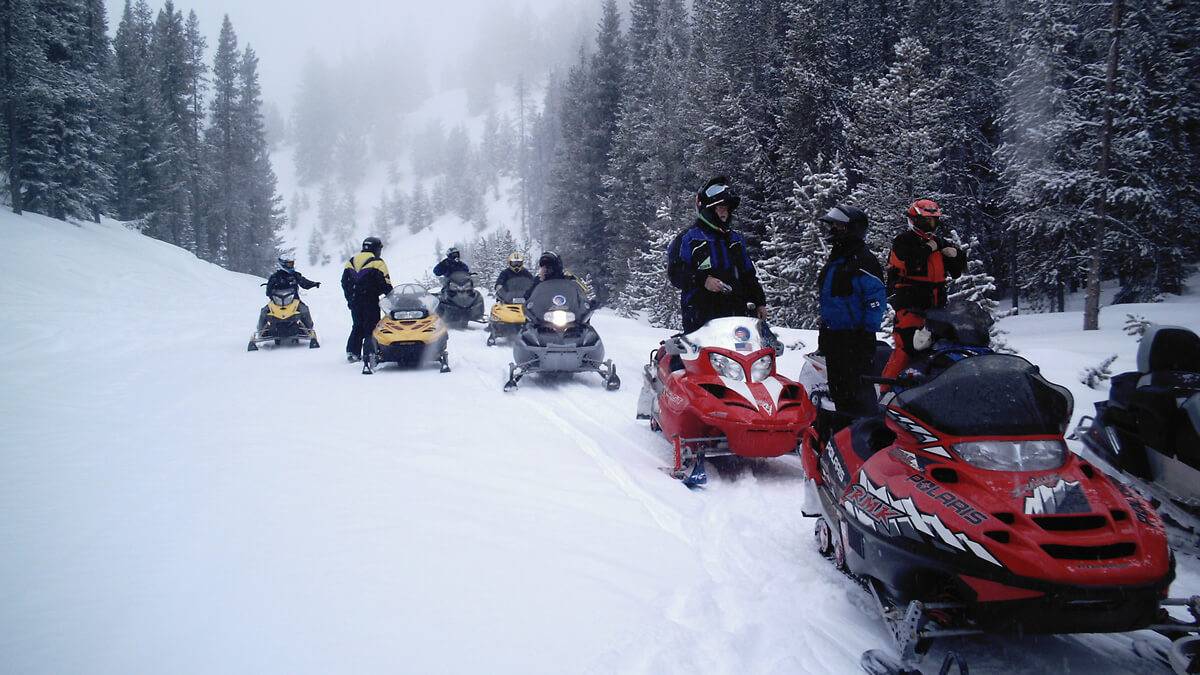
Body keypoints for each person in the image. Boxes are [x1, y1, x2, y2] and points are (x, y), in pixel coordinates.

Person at [880, 199, 965, 386]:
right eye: (926, 221)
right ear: (915, 220)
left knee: (942, 351)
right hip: (910, 307)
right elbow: (912, 263)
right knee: (906, 348)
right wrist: (929, 248)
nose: (930, 225)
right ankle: (885, 390)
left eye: (934, 221)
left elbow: (957, 272)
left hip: (937, 308)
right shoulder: (903, 241)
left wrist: (956, 255)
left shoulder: (938, 242)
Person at [667, 176, 767, 333]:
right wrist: (703, 280)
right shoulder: (688, 238)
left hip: (737, 316)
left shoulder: (735, 240)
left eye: (727, 208)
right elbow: (675, 273)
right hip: (701, 318)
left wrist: (759, 302)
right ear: (708, 209)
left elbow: (748, 274)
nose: (724, 212)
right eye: (720, 207)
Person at [816, 205, 887, 425]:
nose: (833, 230)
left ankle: (865, 435)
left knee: (860, 394)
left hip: (855, 339)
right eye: (833, 225)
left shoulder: (863, 260)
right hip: (834, 336)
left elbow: (876, 300)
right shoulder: (838, 258)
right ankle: (844, 436)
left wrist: (865, 333)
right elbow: (830, 299)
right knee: (840, 392)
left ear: (852, 229)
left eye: (839, 226)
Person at [341, 236, 392, 363]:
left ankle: (352, 352)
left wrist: (350, 298)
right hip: (370, 300)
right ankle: (370, 353)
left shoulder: (351, 261)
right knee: (372, 326)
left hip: (354, 301)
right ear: (376, 249)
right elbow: (385, 283)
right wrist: (391, 297)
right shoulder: (377, 262)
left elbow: (344, 282)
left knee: (357, 325)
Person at [260, 256, 320, 330]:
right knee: (264, 311)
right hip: (277, 301)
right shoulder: (275, 277)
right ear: (283, 264)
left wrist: (313, 284)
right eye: (289, 264)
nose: (291, 266)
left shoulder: (295, 275)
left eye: (292, 264)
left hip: (294, 300)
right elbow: (268, 291)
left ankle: (309, 329)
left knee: (304, 309)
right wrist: (271, 292)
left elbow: (304, 283)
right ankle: (261, 330)